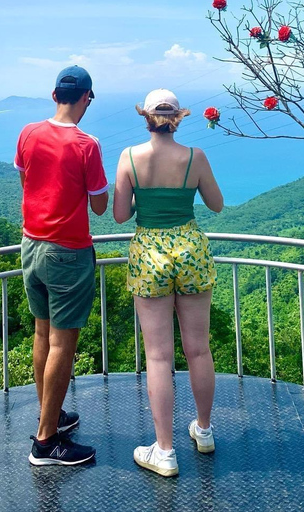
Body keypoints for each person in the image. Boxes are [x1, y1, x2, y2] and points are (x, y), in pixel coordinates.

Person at [113, 89, 223, 477]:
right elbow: (216, 204)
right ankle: (205, 432)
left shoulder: (129, 157)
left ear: (147, 118)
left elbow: (121, 215)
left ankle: (165, 451)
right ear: (178, 118)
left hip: (149, 254)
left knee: (159, 356)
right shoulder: (195, 157)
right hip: (191, 250)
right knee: (199, 349)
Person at [14, 65, 109, 466]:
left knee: (42, 334)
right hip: (67, 253)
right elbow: (101, 205)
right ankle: (46, 441)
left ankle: (49, 415)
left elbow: (26, 183)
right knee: (62, 345)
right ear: (86, 97)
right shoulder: (87, 144)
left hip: (30, 245)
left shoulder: (28, 133)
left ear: (55, 96)